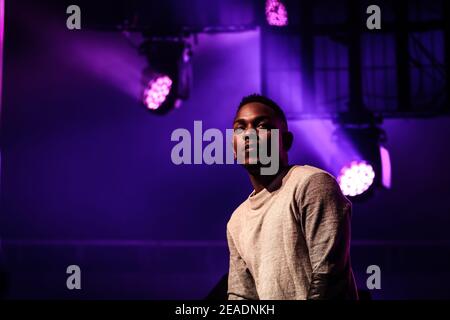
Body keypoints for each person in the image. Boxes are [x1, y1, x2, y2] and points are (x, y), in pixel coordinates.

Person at [226, 94, 358, 300]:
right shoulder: (237, 220)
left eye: (261, 126)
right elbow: (241, 297)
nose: (249, 134)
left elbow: (328, 277)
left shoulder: (312, 184)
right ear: (234, 149)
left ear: (286, 141)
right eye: (239, 128)